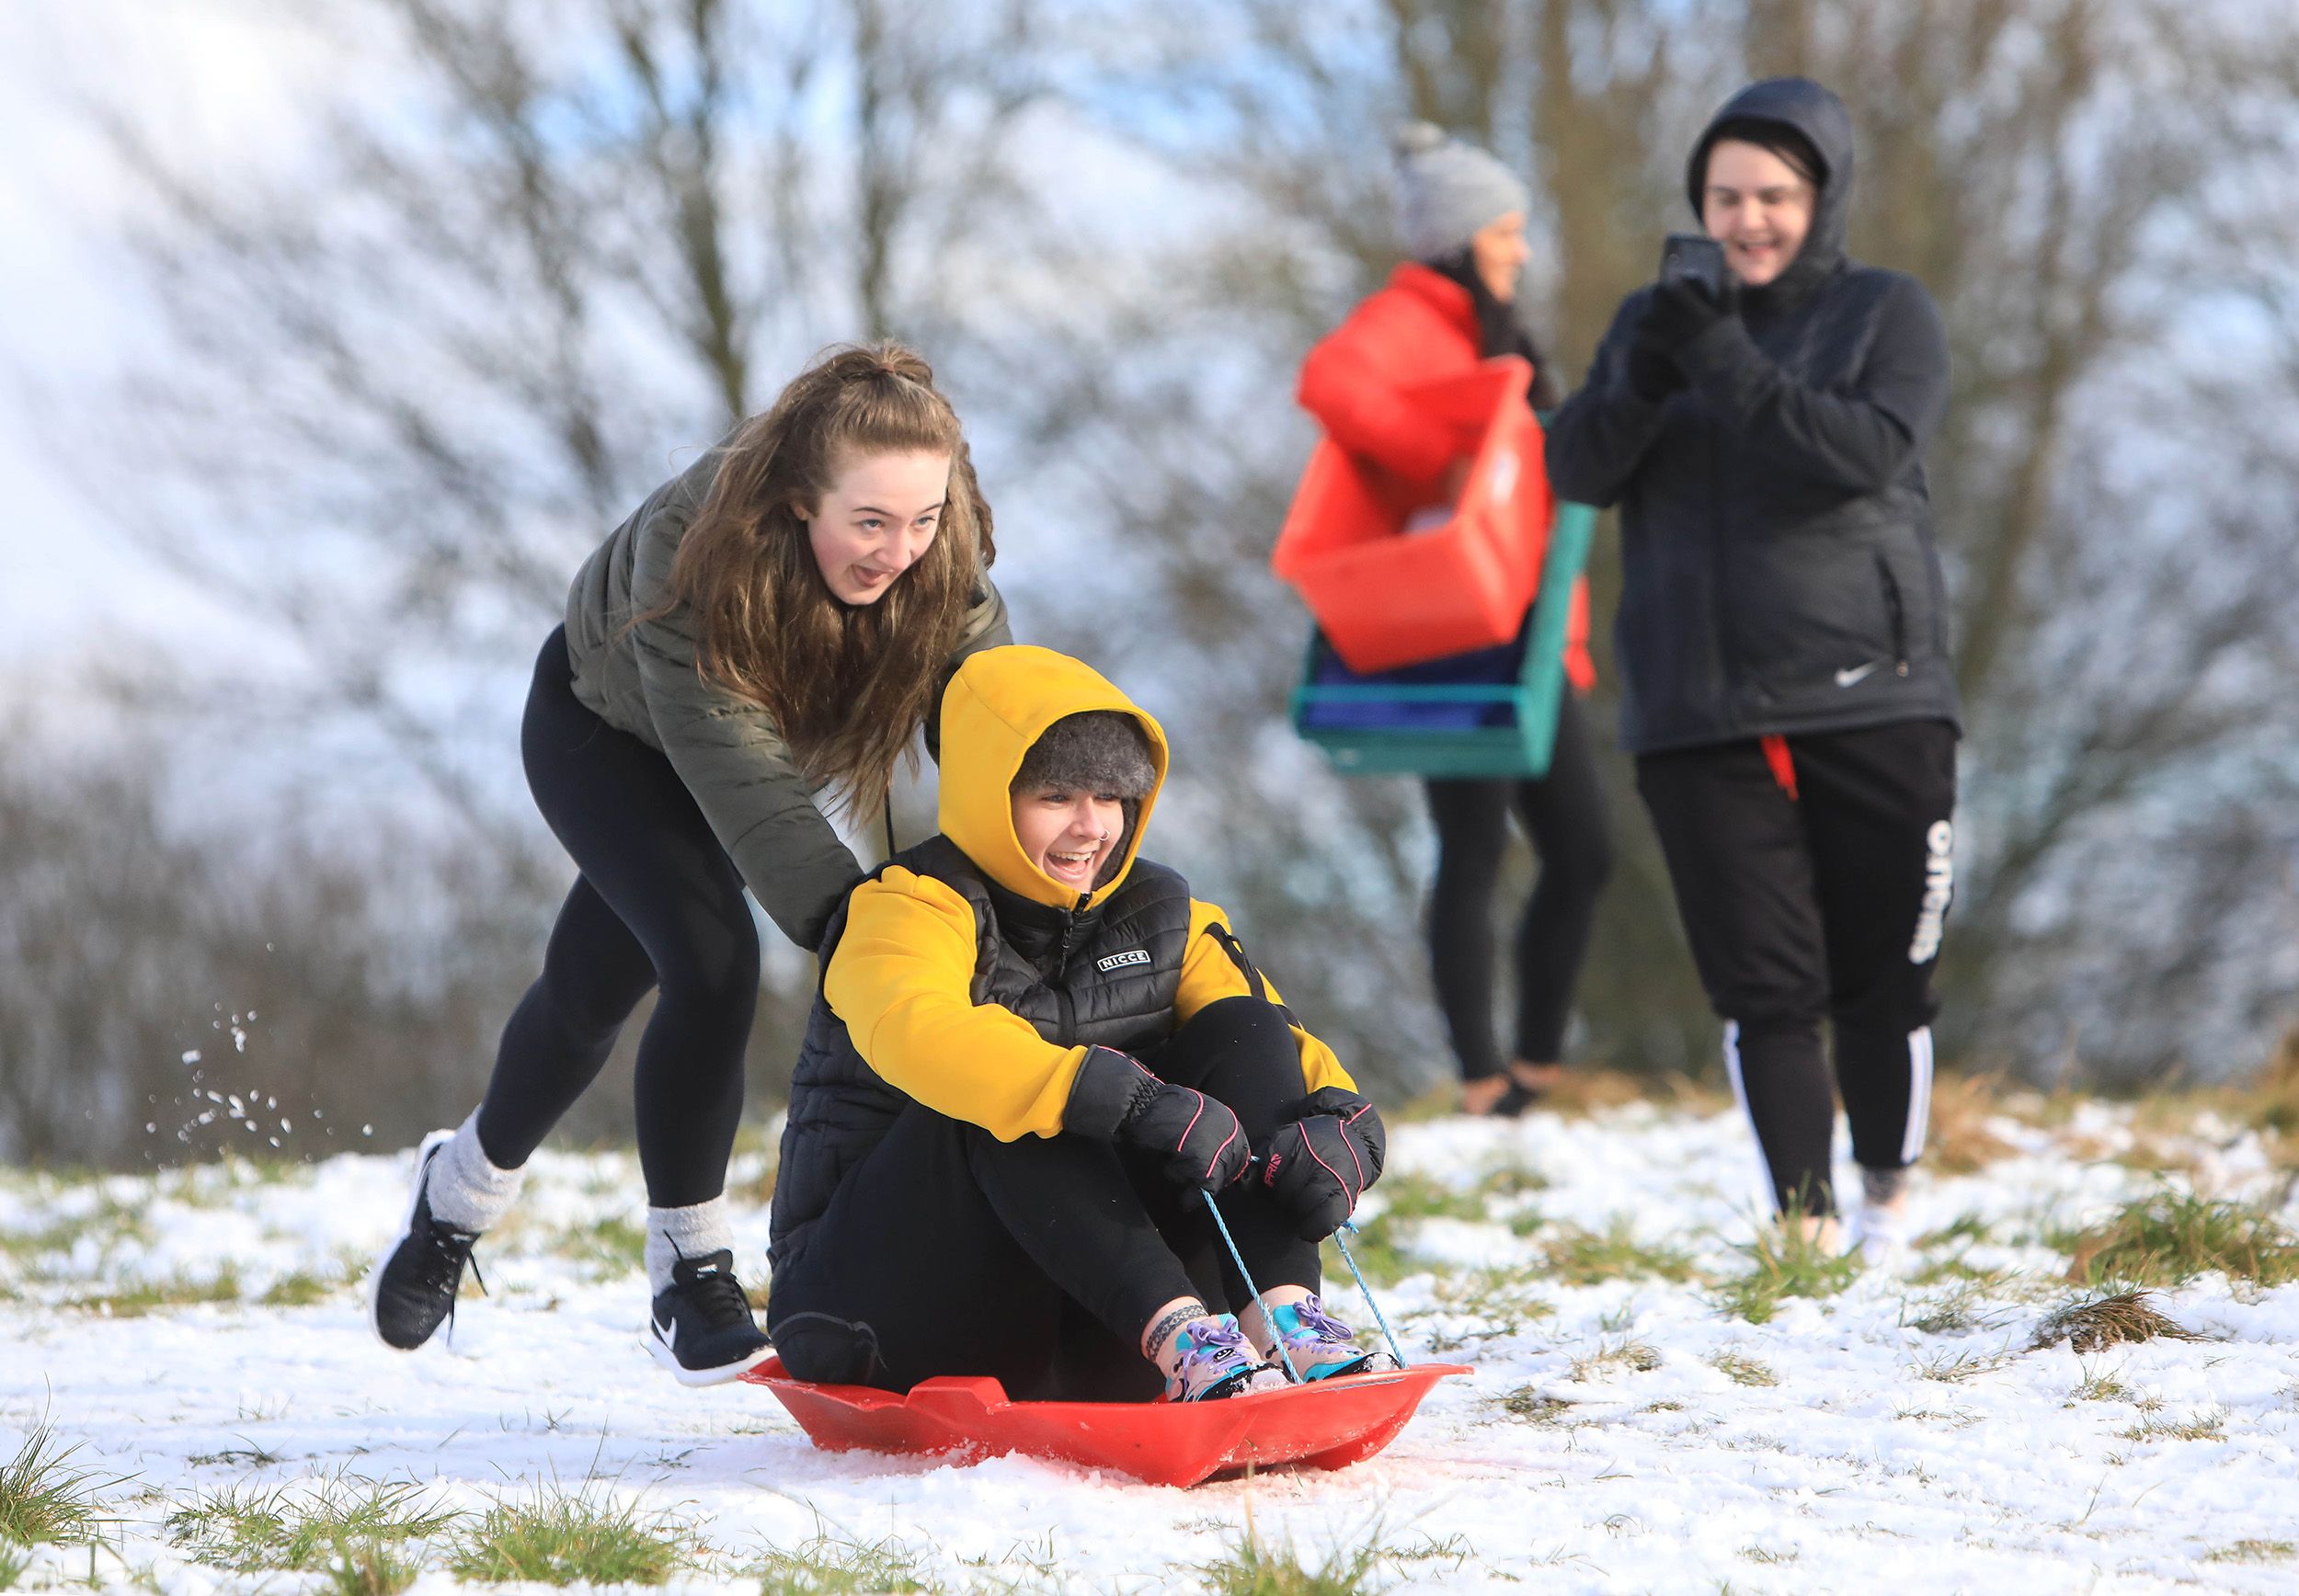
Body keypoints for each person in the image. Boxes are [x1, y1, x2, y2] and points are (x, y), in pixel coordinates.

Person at [367, 344, 1012, 1381]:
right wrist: (864, 931)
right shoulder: (699, 550)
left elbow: (989, 709)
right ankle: (690, 1274)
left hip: (743, 752)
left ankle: (455, 1194)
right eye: (869, 523)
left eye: (923, 520)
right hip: (606, 731)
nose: (899, 551)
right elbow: (737, 767)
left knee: (584, 996)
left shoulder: (939, 554)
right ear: (801, 497)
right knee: (711, 963)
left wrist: (1044, 850)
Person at [1543, 79, 1958, 1258]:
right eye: (1725, 197)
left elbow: (1863, 453)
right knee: (1764, 985)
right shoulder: (1654, 318)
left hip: (1871, 693)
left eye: (1773, 194)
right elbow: (1573, 469)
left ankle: (1886, 1189)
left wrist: (1718, 355)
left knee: (1880, 974)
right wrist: (1644, 375)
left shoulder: (1886, 311)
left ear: (1820, 198)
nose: (1748, 219)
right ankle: (1804, 1223)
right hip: (1698, 705)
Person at [765, 644, 1390, 1402]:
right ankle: (1183, 1338)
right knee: (1008, 1091)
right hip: (881, 1309)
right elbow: (915, 1026)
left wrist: (1344, 1126)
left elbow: (1276, 1044)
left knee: (1243, 1028)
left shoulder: (1168, 915)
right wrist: (1123, 1099)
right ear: (991, 797)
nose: (1091, 827)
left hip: (1097, 1307)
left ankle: (1284, 1322)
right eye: (1056, 796)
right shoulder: (905, 908)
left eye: (1111, 796)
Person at [1297, 122, 1612, 1117]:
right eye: (1506, 231)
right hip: (1455, 628)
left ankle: (1531, 1069)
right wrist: (1442, 457)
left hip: (1523, 627)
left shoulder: (1490, 323)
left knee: (1581, 848)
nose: (1521, 249)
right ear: (1461, 237)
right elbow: (1330, 381)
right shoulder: (1409, 314)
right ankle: (1487, 1083)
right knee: (1476, 849)